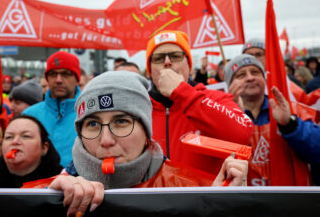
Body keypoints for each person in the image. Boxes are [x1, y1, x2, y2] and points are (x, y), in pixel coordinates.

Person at [47, 71, 248, 217]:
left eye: (121, 122)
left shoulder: (190, 189)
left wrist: (216, 206)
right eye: (92, 124)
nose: (106, 140)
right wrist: (49, 201)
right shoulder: (54, 190)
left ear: (147, 132)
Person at [145, 30, 253, 176]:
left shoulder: (216, 98)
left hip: (206, 198)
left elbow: (242, 136)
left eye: (176, 56)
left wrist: (182, 92)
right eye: (158, 58)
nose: (167, 62)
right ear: (150, 70)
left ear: (189, 66)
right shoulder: (139, 109)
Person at [224, 54, 319, 186]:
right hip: (244, 202)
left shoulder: (288, 108)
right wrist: (230, 120)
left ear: (264, 78)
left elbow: (317, 150)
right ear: (230, 84)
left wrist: (290, 125)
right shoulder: (222, 116)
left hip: (289, 201)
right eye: (241, 75)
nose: (250, 78)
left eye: (255, 72)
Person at [23, 51, 81, 167]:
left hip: (80, 182)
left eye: (66, 74)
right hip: (37, 183)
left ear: (77, 79)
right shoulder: (29, 116)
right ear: (47, 79)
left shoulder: (91, 114)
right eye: (53, 74)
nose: (58, 80)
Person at [0, 115, 62, 188]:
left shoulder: (64, 183)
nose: (15, 142)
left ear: (44, 148)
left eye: (26, 136)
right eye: (9, 137)